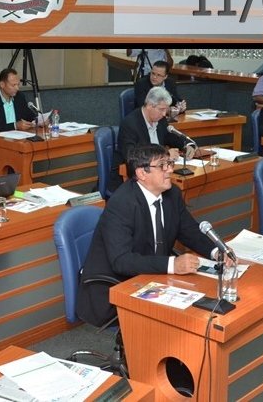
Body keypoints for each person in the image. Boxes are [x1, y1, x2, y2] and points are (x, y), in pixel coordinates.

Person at [75, 145, 218, 328]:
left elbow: (189, 230)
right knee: (184, 318)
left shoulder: (172, 194)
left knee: (202, 305)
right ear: (142, 173)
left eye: (170, 163)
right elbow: (121, 261)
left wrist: (216, 251)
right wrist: (172, 265)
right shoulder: (121, 203)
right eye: (162, 165)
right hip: (115, 288)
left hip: (152, 277)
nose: (170, 170)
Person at [116, 87, 192, 176]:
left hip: (159, 171)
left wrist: (188, 145)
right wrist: (165, 155)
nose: (164, 114)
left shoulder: (161, 120)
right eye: (161, 109)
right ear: (150, 105)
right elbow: (131, 157)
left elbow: (171, 137)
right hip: (140, 175)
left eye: (166, 110)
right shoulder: (130, 124)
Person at [0, 68, 37, 134]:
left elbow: (29, 116)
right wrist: (14, 126)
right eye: (13, 85)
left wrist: (39, 120)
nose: (17, 88)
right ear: (2, 84)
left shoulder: (20, 96)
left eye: (18, 84)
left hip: (19, 136)